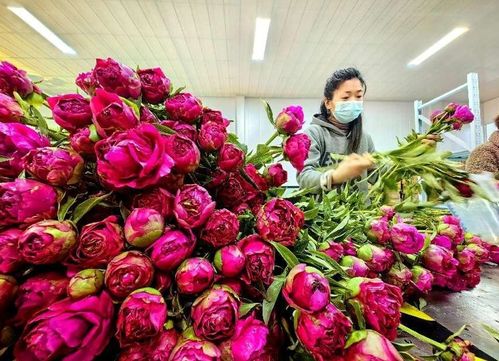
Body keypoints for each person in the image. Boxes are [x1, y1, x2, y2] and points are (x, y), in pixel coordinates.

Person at [297, 67, 436, 193]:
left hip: (361, 215)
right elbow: (304, 177)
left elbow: (380, 175)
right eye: (346, 97)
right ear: (328, 103)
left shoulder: (364, 138)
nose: (353, 102)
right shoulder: (314, 134)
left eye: (358, 96)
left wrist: (415, 155)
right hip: (326, 218)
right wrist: (336, 176)